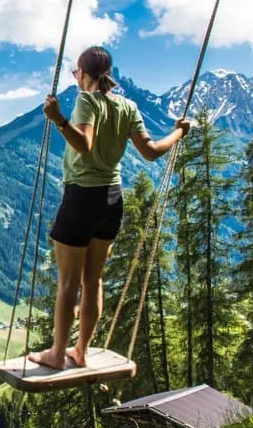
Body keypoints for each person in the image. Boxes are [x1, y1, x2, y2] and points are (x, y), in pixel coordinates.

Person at [27, 46, 190, 370]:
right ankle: (81, 351)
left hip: (81, 199)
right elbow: (152, 151)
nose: (76, 78)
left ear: (85, 74)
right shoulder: (128, 107)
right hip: (112, 200)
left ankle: (57, 354)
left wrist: (58, 119)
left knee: (68, 284)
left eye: (76, 73)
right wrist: (178, 132)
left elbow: (84, 145)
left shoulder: (86, 100)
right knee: (94, 281)